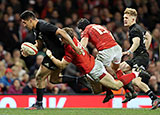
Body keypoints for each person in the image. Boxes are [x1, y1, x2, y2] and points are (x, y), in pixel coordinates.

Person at [45, 27, 153, 107]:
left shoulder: (70, 49)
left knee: (116, 85)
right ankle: (109, 92)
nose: (60, 40)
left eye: (62, 38)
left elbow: (62, 64)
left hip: (94, 69)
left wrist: (50, 55)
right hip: (92, 66)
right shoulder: (74, 39)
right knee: (96, 91)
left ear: (67, 38)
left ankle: (137, 73)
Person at [20, 10, 83, 110]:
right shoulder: (36, 29)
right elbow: (39, 44)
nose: (24, 25)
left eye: (24, 22)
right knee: (54, 79)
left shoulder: (43, 25)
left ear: (31, 20)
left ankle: (39, 104)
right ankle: (80, 80)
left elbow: (61, 32)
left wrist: (75, 47)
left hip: (56, 53)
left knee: (39, 77)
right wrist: (29, 50)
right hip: (54, 52)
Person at [77, 18, 137, 103]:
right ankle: (130, 91)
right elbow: (111, 36)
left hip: (106, 51)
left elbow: (83, 46)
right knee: (116, 70)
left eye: (79, 30)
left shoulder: (86, 30)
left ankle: (109, 92)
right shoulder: (99, 26)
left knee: (94, 72)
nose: (80, 32)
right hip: (116, 48)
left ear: (81, 28)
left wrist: (77, 50)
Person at [120, 8, 159, 110]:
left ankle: (154, 98)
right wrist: (145, 48)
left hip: (140, 58)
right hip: (138, 57)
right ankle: (130, 91)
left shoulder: (134, 30)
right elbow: (149, 36)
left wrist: (129, 51)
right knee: (119, 69)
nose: (124, 20)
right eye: (124, 17)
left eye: (127, 18)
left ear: (133, 19)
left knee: (136, 82)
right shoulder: (139, 28)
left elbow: (136, 42)